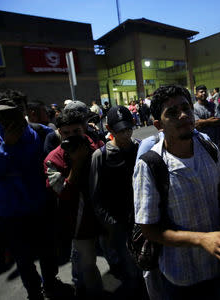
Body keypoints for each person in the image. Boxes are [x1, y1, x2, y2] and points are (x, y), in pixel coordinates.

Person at [133, 85, 220, 300]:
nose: (183, 115)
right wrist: (201, 240)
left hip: (216, 266)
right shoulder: (151, 165)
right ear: (158, 125)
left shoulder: (208, 146)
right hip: (179, 278)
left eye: (186, 108)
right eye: (172, 113)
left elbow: (216, 193)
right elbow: (149, 229)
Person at [0, 97, 70, 300]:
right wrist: (5, 147)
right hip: (10, 212)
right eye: (8, 122)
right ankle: (34, 291)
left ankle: (50, 283)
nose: (14, 126)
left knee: (48, 253)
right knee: (23, 259)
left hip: (41, 206)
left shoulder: (41, 133)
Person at [44, 109, 108, 299]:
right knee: (88, 264)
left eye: (76, 132)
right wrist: (77, 164)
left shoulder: (98, 147)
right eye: (66, 133)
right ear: (59, 133)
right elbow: (62, 192)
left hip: (105, 216)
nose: (72, 137)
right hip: (79, 222)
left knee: (118, 255)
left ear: (85, 129)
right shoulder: (52, 160)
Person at [89, 105, 146, 298]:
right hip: (120, 224)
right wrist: (111, 224)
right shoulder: (101, 156)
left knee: (149, 264)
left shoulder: (140, 148)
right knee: (130, 270)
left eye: (128, 128)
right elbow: (96, 196)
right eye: (120, 130)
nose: (125, 133)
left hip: (144, 219)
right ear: (109, 129)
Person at [193, 85, 220, 151]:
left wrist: (202, 122)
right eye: (201, 92)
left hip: (215, 140)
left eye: (205, 91)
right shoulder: (194, 108)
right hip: (202, 142)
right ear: (196, 95)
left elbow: (218, 120)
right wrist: (210, 120)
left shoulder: (213, 105)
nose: (204, 93)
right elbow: (196, 124)